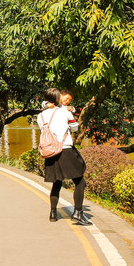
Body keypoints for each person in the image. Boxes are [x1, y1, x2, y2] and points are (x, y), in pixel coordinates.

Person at [38, 87, 91, 225]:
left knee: (57, 182)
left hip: (50, 153)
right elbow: (74, 128)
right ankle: (78, 213)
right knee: (80, 181)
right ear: (58, 98)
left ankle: (53, 213)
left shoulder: (41, 116)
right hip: (65, 150)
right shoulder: (65, 113)